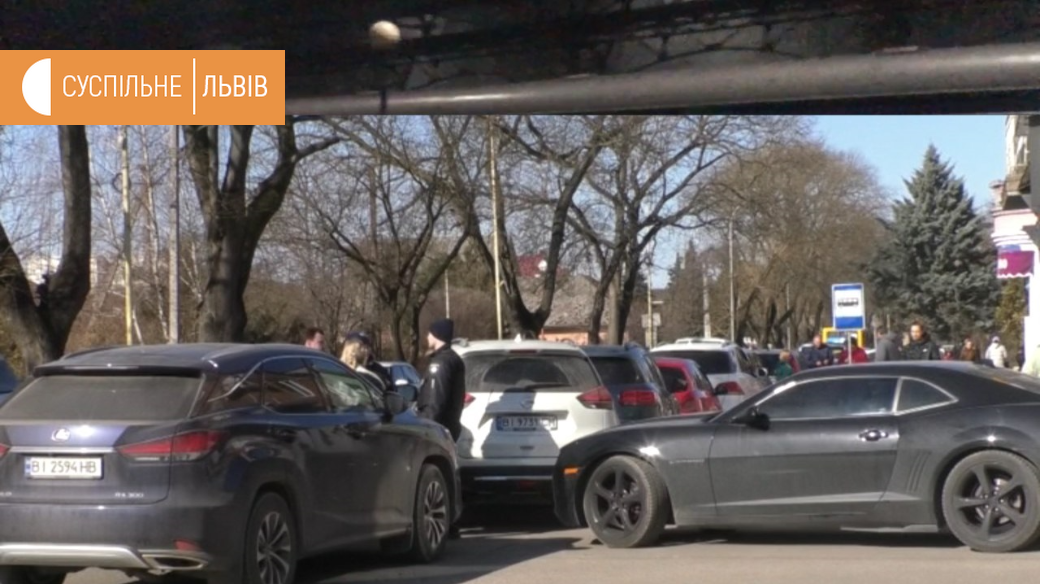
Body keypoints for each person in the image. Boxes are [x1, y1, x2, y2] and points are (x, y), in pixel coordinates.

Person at [417, 318, 466, 441]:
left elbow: (435, 401)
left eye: (430, 333)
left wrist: (426, 428)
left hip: (438, 431)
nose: (427, 337)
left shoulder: (441, 363)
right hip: (448, 428)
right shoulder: (452, 358)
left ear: (436, 335)